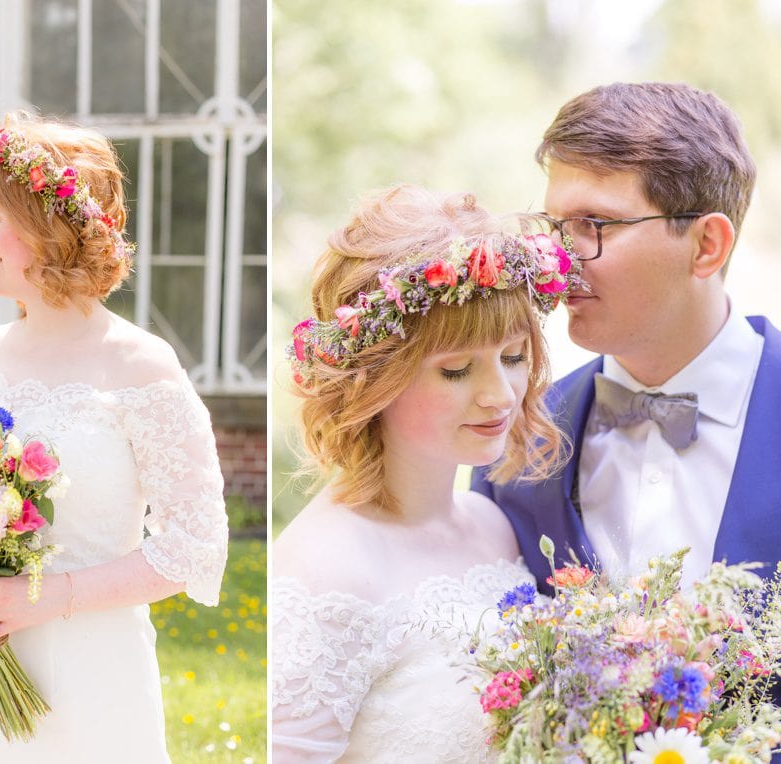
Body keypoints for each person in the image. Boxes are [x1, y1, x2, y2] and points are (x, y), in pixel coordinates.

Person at [0, 115, 229, 761]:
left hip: (92, 675)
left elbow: (195, 545)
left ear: (48, 225)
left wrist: (40, 598)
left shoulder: (141, 366)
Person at [272, 185, 582, 761]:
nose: (500, 396)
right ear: (375, 380)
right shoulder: (323, 571)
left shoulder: (493, 523)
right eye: (457, 369)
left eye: (513, 357)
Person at [472, 82, 781, 593]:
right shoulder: (510, 439)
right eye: (555, 227)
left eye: (594, 224)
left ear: (707, 245)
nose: (558, 262)